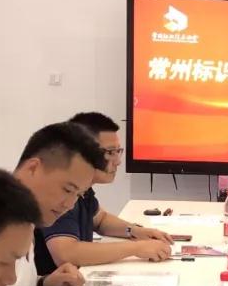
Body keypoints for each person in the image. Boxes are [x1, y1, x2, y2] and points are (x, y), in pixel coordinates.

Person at [0, 122, 112, 286]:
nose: (69, 204)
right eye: (67, 189)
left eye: (78, 195)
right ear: (33, 168)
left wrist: (45, 284)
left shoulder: (29, 216)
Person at [35, 112, 173, 274]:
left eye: (118, 152)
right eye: (110, 152)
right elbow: (66, 254)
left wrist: (136, 231)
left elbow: (100, 220)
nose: (118, 161)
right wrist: (136, 248)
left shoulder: (83, 188)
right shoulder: (61, 190)